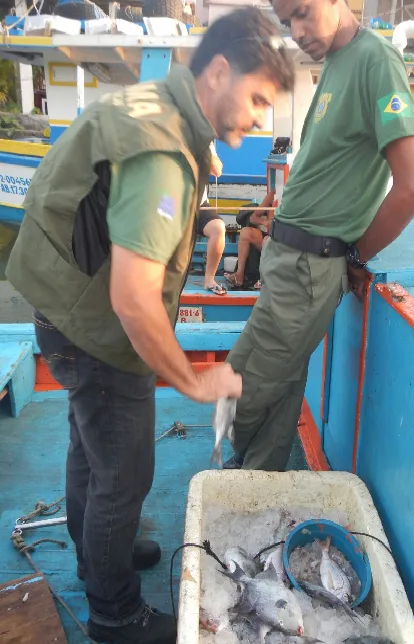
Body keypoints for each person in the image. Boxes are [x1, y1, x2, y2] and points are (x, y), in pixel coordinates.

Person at [5, 7, 294, 644]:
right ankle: (114, 611)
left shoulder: (148, 103)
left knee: (90, 448)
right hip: (97, 328)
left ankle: (92, 552)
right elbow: (135, 300)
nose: (255, 120)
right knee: (125, 473)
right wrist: (194, 383)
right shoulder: (163, 154)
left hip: (60, 303)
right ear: (218, 72)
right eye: (255, 99)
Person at [222, 0, 414, 472]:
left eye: (303, 11)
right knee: (277, 380)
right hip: (287, 260)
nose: (296, 30)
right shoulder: (337, 62)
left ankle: (245, 463)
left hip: (309, 267)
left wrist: (356, 255)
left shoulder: (376, 61)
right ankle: (256, 476)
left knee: (246, 390)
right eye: (286, 20)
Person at [225, 190, 276, 288]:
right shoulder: (273, 195)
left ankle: (264, 280)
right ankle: (239, 275)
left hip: (288, 240)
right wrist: (265, 222)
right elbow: (253, 218)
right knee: (246, 232)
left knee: (268, 241)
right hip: (270, 236)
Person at [197, 142, 227, 294]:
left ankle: (209, 280)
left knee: (218, 228)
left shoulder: (203, 137)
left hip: (199, 204)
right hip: (170, 201)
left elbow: (217, 170)